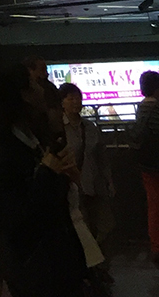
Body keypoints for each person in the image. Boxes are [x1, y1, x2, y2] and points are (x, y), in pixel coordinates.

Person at [0, 59, 82, 297]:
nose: (41, 89)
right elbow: (16, 220)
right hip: (34, 269)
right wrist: (47, 174)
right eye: (34, 83)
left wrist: (63, 176)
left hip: (54, 262)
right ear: (22, 95)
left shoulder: (31, 135)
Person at [58, 83, 113, 247]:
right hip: (73, 187)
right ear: (62, 102)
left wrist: (109, 180)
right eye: (71, 99)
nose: (76, 102)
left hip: (95, 183)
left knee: (104, 225)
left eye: (78, 98)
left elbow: (101, 156)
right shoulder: (59, 129)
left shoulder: (89, 127)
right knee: (83, 227)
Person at [130, 69, 159, 265]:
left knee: (154, 206)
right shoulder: (156, 109)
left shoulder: (141, 108)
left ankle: (156, 246)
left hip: (146, 165)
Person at [22, 55, 63, 145]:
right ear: (29, 71)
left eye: (45, 70)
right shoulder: (44, 88)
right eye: (42, 70)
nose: (46, 74)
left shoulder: (48, 88)